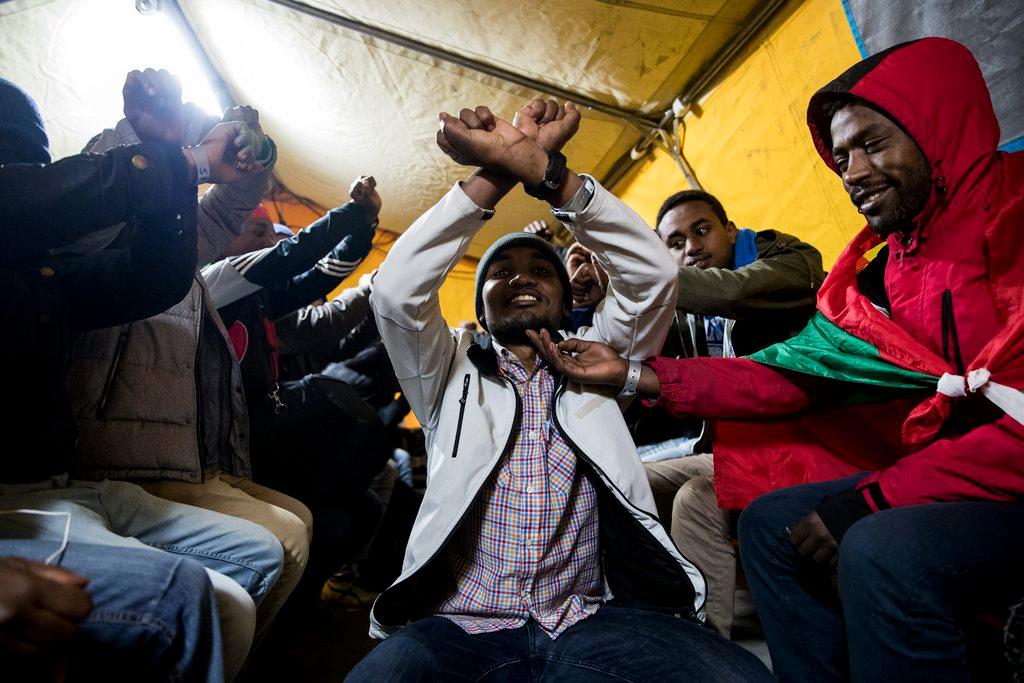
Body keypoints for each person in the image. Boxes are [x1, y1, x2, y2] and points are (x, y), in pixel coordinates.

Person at [527, 38, 1024, 682]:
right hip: (956, 475)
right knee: (769, 522)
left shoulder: (801, 261)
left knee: (873, 544)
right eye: (842, 156)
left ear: (938, 129)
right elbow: (790, 374)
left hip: (996, 475)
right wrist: (631, 373)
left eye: (874, 145)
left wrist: (874, 498)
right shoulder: (887, 272)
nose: (854, 174)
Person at [347, 99, 770, 681]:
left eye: (541, 271)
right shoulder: (446, 371)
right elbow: (395, 291)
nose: (521, 277)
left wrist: (550, 176)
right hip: (458, 627)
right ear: (479, 304)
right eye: (502, 272)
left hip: (594, 620)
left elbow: (654, 276)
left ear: (567, 299)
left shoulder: (600, 359)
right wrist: (497, 171)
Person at [0, 75, 277, 681]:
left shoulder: (42, 273)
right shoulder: (60, 216)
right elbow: (55, 194)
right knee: (189, 603)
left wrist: (177, 171)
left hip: (49, 483)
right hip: (82, 469)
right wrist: (184, 157)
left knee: (258, 556)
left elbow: (153, 277)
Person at [65, 69, 312, 646]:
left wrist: (239, 137)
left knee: (295, 524)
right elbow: (104, 189)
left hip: (177, 458)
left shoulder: (177, 251)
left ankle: (209, 653)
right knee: (283, 538)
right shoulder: (94, 242)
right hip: (116, 461)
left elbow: (231, 207)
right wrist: (162, 138)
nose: (261, 238)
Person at [639, 189, 824, 636]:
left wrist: (647, 274)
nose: (692, 247)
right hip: (734, 450)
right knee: (624, 479)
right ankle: (659, 622)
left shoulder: (790, 261)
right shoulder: (685, 308)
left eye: (701, 230)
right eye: (676, 243)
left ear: (730, 230)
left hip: (804, 445)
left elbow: (731, 293)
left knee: (696, 500)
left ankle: (709, 644)